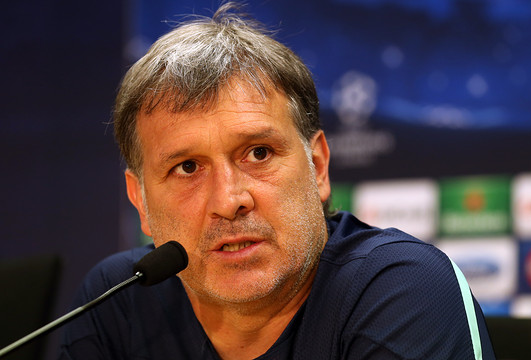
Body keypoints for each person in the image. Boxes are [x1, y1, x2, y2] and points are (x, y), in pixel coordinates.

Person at [59, 2, 495, 359]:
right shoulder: (115, 301)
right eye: (187, 167)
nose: (229, 200)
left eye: (258, 153)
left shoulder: (404, 290)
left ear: (318, 166)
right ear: (141, 201)